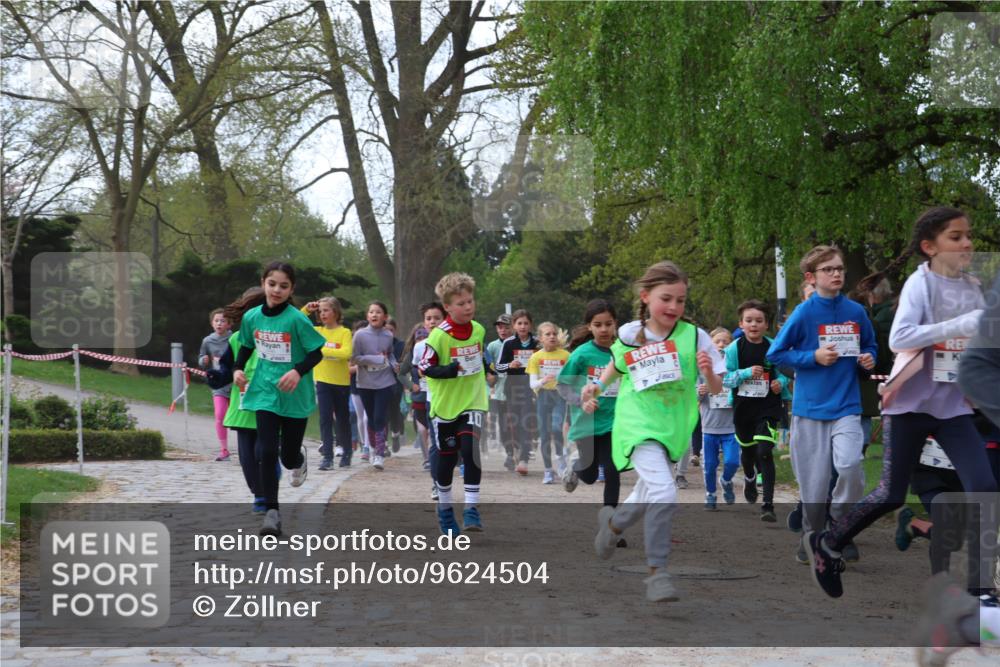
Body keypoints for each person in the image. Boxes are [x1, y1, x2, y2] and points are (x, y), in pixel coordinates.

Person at [804, 207, 997, 599]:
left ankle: (980, 589)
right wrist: (960, 325)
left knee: (985, 487)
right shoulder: (919, 284)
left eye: (968, 236)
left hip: (953, 408)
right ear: (930, 247)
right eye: (955, 237)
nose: (967, 243)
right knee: (891, 494)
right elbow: (900, 338)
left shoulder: (973, 287)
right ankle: (829, 542)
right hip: (909, 405)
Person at [582, 260, 727, 602]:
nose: (674, 307)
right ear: (646, 297)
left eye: (681, 300)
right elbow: (616, 366)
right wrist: (595, 388)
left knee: (647, 493)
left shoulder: (695, 337)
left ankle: (612, 526)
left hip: (673, 427)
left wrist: (708, 373)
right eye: (666, 299)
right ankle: (657, 573)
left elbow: (717, 388)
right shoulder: (629, 333)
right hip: (637, 423)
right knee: (664, 492)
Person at [767, 245, 876, 566]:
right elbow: (776, 354)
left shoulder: (856, 312)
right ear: (811, 277)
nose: (837, 274)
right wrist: (812, 357)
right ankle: (811, 535)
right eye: (829, 269)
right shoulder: (803, 313)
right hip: (810, 411)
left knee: (851, 468)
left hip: (847, 406)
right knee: (813, 489)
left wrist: (868, 358)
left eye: (840, 268)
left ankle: (840, 523)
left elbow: (870, 345)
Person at [232, 262, 326, 536]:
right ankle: (271, 512)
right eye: (272, 284)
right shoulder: (252, 317)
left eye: (283, 286)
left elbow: (316, 353)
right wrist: (237, 369)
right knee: (266, 451)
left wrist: (297, 371)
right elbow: (246, 346)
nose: (276, 290)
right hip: (264, 390)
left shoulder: (297, 319)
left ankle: (298, 458)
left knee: (287, 457)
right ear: (263, 283)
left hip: (294, 393)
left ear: (291, 289)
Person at [418, 273, 489, 535]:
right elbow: (424, 368)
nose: (468, 307)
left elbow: (479, 359)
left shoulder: (479, 330)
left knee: (470, 450)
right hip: (445, 407)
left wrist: (489, 370)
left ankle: (471, 508)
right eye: (461, 304)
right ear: (447, 306)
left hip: (473, 401)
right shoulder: (438, 336)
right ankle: (446, 510)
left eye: (470, 301)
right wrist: (449, 370)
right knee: (447, 460)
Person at [722, 299, 792, 523]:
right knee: (749, 452)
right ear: (741, 324)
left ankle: (768, 505)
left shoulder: (774, 347)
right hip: (743, 407)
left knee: (764, 452)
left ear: (766, 324)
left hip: (768, 406)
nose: (754, 325)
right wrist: (745, 373)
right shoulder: (733, 349)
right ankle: (750, 477)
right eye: (749, 320)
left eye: (759, 321)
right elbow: (726, 379)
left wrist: (780, 383)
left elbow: (785, 373)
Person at [558, 299, 621, 510]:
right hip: (587, 423)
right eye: (598, 325)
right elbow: (562, 385)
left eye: (608, 324)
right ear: (589, 326)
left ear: (615, 324)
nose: (604, 329)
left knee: (612, 470)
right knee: (590, 475)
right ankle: (575, 465)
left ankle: (610, 521)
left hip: (613, 422)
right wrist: (581, 400)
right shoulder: (581, 354)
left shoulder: (621, 351)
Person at [300, 297, 353, 470]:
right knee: (325, 419)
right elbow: (297, 322)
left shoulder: (344, 332)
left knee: (342, 419)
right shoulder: (317, 331)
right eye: (320, 311)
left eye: (326, 310)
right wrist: (307, 309)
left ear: (335, 312)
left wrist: (320, 350)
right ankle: (327, 457)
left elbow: (346, 353)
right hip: (322, 381)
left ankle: (347, 452)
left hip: (341, 383)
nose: (322, 314)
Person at [351, 301, 398, 471]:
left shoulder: (388, 335)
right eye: (371, 312)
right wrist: (375, 359)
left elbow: (390, 354)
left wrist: (393, 363)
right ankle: (372, 447)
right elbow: (354, 358)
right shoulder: (360, 335)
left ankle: (379, 454)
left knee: (379, 417)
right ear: (367, 316)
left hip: (385, 381)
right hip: (365, 382)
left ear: (385, 317)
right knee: (371, 418)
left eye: (378, 312)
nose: (374, 315)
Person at [699, 327, 740, 511]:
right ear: (710, 345)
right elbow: (693, 395)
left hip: (731, 426)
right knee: (709, 465)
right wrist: (700, 391)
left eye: (726, 342)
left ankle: (726, 480)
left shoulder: (734, 367)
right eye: (717, 341)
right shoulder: (703, 369)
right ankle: (710, 494)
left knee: (732, 462)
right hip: (709, 425)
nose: (722, 345)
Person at [495, 309, 540, 475]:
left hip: (531, 387)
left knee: (527, 421)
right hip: (513, 388)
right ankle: (515, 450)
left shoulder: (538, 343)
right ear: (514, 325)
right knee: (513, 422)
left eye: (526, 323)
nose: (522, 326)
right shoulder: (508, 343)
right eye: (519, 323)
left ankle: (524, 459)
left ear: (531, 325)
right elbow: (498, 367)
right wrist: (509, 365)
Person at [528, 322, 570, 484]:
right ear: (540, 338)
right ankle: (547, 471)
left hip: (559, 395)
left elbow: (572, 377)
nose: (552, 336)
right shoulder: (535, 357)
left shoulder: (566, 356)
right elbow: (532, 384)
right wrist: (543, 380)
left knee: (556, 427)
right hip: (543, 396)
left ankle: (560, 458)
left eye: (554, 333)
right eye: (547, 334)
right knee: (544, 434)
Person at [199, 308, 233, 461]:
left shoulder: (234, 339)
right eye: (216, 321)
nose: (219, 323)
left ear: (229, 324)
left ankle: (248, 447)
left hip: (236, 383)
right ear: (212, 323)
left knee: (241, 418)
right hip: (219, 384)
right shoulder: (207, 341)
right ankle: (224, 450)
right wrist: (203, 361)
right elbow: (201, 359)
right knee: (220, 415)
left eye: (223, 321)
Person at [487, 314, 514, 469]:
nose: (503, 330)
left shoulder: (518, 344)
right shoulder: (492, 347)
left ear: (513, 328)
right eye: (499, 327)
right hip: (500, 392)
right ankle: (510, 452)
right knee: (504, 425)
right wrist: (490, 377)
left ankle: (520, 450)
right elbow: (488, 367)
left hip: (518, 390)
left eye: (506, 327)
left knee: (519, 423)